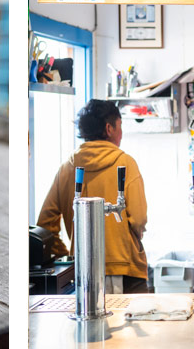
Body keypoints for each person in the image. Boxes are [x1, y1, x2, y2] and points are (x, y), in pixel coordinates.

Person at [37, 99, 149, 293]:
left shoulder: (66, 169)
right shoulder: (126, 163)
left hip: (81, 273)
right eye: (120, 126)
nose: (121, 133)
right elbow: (139, 218)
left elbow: (45, 225)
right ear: (109, 128)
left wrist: (70, 256)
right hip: (125, 268)